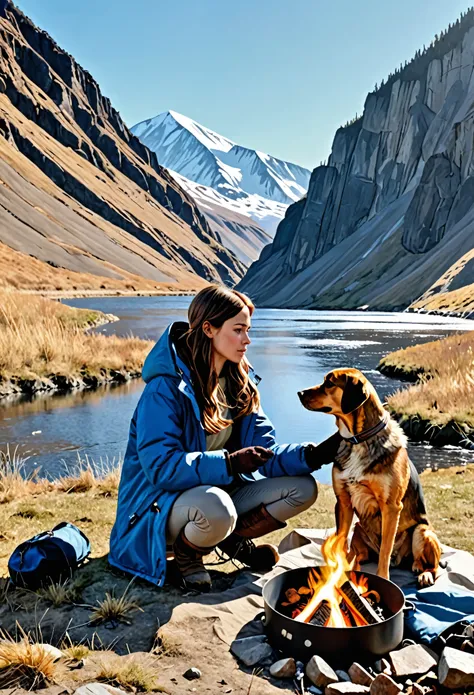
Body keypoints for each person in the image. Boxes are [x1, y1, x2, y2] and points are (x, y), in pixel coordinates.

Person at [109, 285, 342, 592]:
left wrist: (313, 455)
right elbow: (161, 468)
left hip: (215, 500)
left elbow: (266, 451)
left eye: (248, 330)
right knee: (217, 507)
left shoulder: (238, 383)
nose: (247, 340)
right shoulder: (164, 391)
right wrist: (230, 462)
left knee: (302, 487)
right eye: (238, 330)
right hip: (157, 510)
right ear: (209, 329)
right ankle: (187, 555)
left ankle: (230, 540)